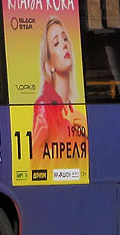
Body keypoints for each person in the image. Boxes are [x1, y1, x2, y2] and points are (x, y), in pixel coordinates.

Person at [31, 16, 86, 160]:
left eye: (65, 39)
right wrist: (67, 128)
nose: (64, 45)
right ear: (49, 64)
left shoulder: (74, 110)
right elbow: (37, 162)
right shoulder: (43, 107)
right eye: (56, 43)